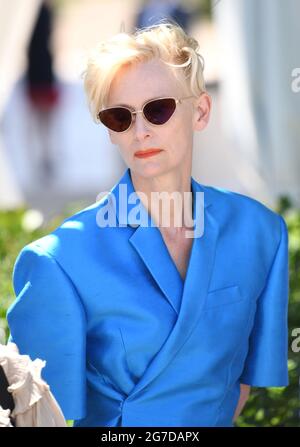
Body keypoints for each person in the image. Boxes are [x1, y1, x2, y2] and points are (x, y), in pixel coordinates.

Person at [6, 22, 289, 427]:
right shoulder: (60, 260)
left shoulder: (261, 233)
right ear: (109, 131)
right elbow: (38, 417)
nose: (141, 131)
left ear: (202, 111)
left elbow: (240, 385)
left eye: (159, 109)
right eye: (120, 116)